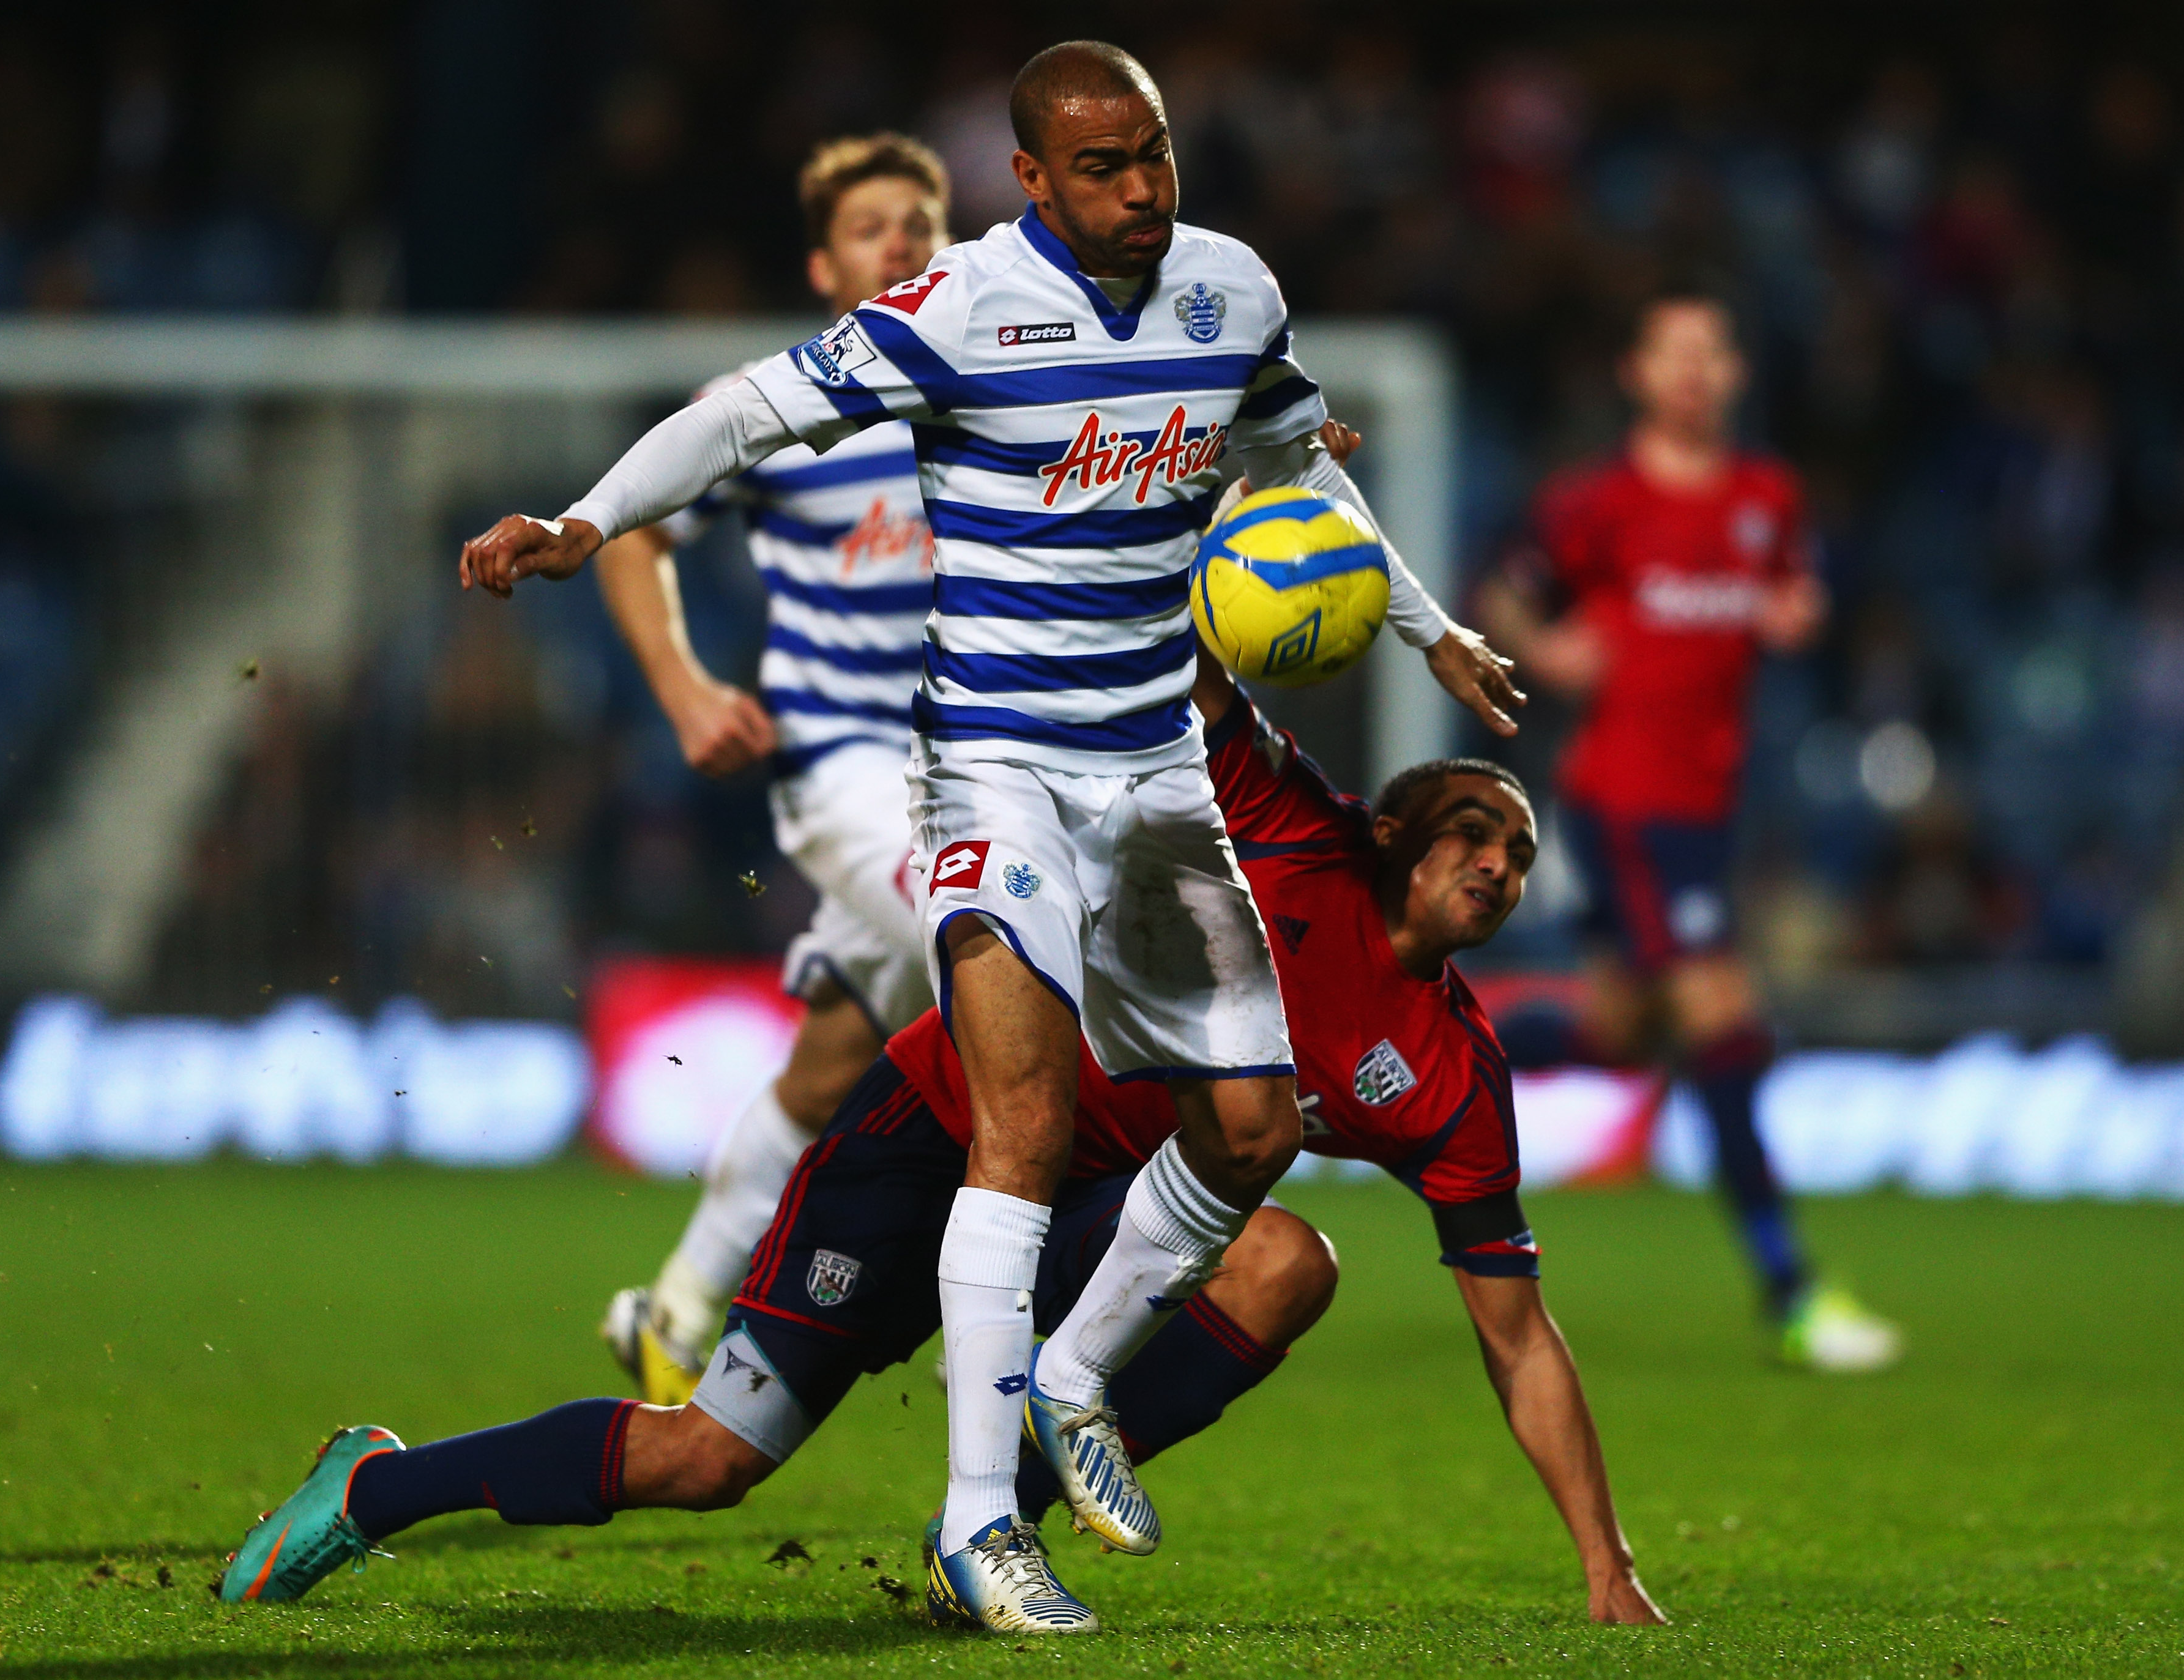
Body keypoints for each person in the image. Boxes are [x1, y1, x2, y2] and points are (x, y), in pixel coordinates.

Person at [456, 39, 1522, 1630]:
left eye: (1155, 155)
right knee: (1018, 1120)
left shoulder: (1231, 291)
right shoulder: (957, 309)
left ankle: (1074, 1378)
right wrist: (587, 519)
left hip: (1157, 768)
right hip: (996, 768)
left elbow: (1298, 464)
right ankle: (976, 1520)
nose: (1144, 189)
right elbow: (738, 417)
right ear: (1030, 177)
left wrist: (1425, 633)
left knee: (1251, 1122)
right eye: (1104, 166)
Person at [217, 649, 1663, 1633]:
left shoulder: (1452, 1070)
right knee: (712, 1459)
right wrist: (1264, 472)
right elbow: (1179, 655)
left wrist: (1605, 1563)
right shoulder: (1283, 825)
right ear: (1396, 832)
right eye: (1474, 826)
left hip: (1088, 1198)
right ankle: (371, 1483)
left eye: (1523, 850)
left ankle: (997, 1528)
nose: (1498, 858)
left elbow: (1520, 1335)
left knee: (1284, 1259)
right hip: (935, 1131)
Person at [1475, 291, 1900, 1372]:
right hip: (1623, 795)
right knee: (1722, 1015)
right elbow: (1508, 596)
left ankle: (1423, 1036)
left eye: (1713, 350)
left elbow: (1790, 592)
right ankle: (1794, 1290)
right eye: (1676, 352)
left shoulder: (1768, 497)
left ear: (1736, 373)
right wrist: (1549, 648)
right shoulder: (1597, 503)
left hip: (1710, 804)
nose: (1695, 370)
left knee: (1620, 1032)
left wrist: (1794, 610)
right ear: (1638, 373)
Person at [590, 134, 950, 1408]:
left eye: (919, 221)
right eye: (871, 228)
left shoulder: (992, 394)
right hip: (839, 761)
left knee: (833, 1056)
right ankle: (995, 1287)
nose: (901, 242)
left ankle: (673, 1306)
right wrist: (686, 689)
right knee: (981, 942)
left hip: (978, 764)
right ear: (822, 262)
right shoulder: (777, 401)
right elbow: (632, 533)